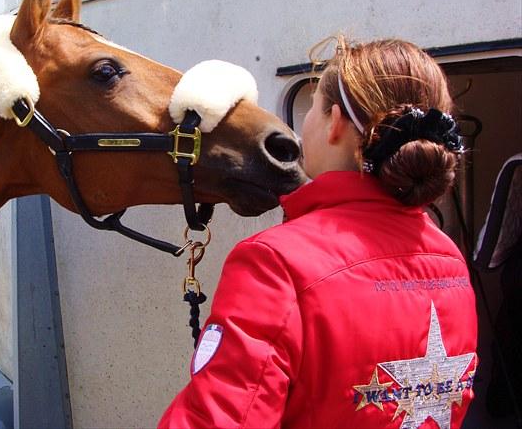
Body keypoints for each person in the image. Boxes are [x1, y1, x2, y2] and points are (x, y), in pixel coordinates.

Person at [159, 37, 478, 429]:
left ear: (336, 124)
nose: (304, 121)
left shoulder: (275, 263)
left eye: (312, 105)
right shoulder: (449, 257)